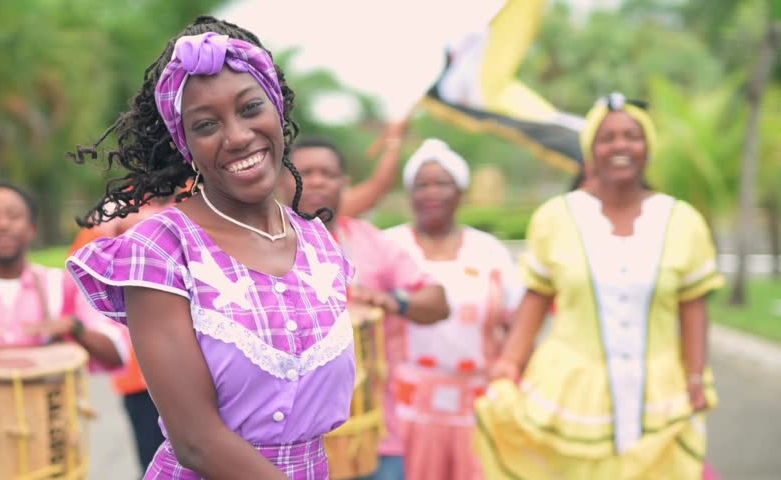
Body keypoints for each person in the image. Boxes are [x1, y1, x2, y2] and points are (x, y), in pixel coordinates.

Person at [66, 17, 356, 479]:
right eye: (206, 124)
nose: (237, 136)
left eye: (250, 107)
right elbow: (196, 441)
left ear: (277, 109)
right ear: (186, 146)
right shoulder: (160, 250)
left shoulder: (319, 245)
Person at [475, 93, 723, 479]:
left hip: (659, 390)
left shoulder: (682, 221)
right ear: (591, 152)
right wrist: (508, 365)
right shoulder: (555, 218)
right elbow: (536, 299)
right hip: (570, 392)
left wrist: (695, 375)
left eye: (632, 136)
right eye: (607, 138)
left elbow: (694, 305)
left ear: (648, 148)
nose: (620, 146)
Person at [0, 182, 130, 476]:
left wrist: (74, 328)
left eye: (13, 216)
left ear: (32, 228)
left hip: (50, 456)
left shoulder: (63, 286)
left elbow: (117, 355)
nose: (2, 225)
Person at [278, 137, 450, 480]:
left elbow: (438, 302)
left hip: (375, 437)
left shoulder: (370, 240)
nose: (316, 181)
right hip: (290, 443)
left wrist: (395, 301)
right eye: (305, 171)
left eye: (328, 173)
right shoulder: (258, 243)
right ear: (281, 179)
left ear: (344, 183)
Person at [382, 139, 524, 480]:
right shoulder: (388, 246)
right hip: (403, 413)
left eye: (442, 183)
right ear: (409, 193)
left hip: (477, 409)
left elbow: (519, 322)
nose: (432, 192)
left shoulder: (488, 251)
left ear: (460, 192)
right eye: (422, 184)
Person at [68, 187, 189, 473]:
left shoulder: (202, 189)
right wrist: (114, 229)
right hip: (142, 373)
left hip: (209, 360)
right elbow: (83, 264)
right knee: (155, 460)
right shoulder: (120, 202)